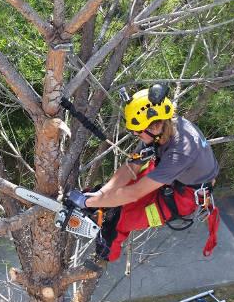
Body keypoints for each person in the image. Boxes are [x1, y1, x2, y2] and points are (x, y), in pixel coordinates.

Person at [81, 84, 219, 261]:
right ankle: (101, 202)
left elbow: (133, 193)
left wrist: (88, 202)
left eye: (137, 132)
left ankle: (106, 254)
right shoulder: (161, 130)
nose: (136, 136)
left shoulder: (181, 151)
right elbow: (131, 167)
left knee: (122, 219)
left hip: (185, 196)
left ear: (155, 126)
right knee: (112, 195)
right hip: (169, 175)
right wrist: (100, 195)